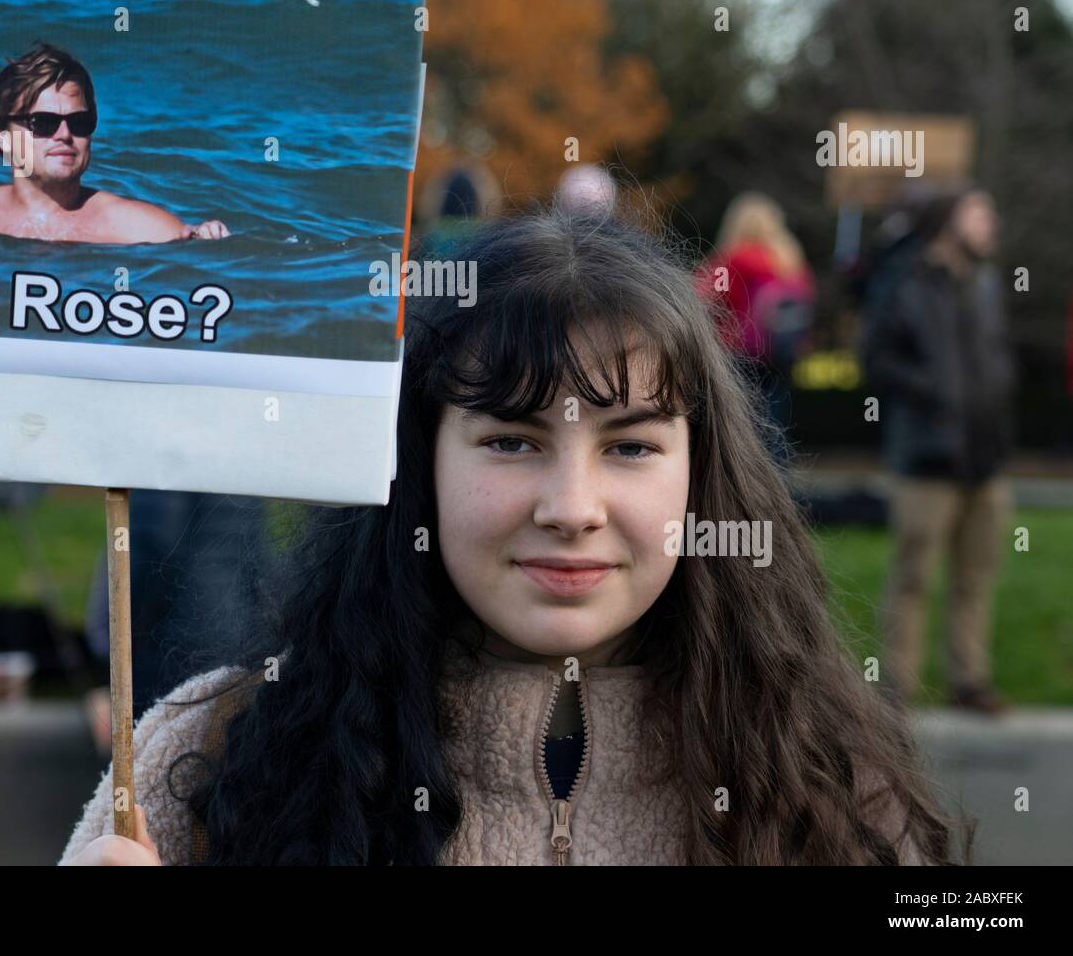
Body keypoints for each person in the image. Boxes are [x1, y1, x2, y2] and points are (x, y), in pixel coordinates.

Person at [61, 203, 961, 865]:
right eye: (511, 441)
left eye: (632, 446)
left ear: (703, 475)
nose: (572, 507)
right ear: (420, 463)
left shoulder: (830, 787)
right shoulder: (206, 748)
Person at [860, 185, 1016, 716]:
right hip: (926, 459)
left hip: (985, 458)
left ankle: (968, 679)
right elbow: (875, 360)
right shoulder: (903, 281)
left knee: (976, 575)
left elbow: (994, 358)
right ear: (950, 221)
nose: (990, 222)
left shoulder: (987, 283)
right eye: (980, 213)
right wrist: (933, 394)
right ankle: (896, 689)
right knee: (913, 575)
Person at [0, 43, 230, 244]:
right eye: (44, 123)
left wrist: (207, 241)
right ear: (2, 137)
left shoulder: (138, 227)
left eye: (79, 123)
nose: (64, 134)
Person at [695, 193, 814, 456]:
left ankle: (745, 484)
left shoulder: (732, 259)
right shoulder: (788, 260)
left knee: (741, 423)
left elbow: (702, 299)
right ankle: (776, 477)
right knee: (775, 421)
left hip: (739, 351)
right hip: (779, 351)